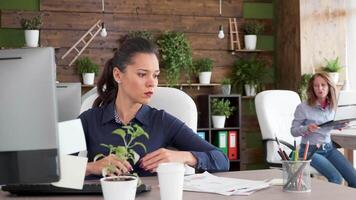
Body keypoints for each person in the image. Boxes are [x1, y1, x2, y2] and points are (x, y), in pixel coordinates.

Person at [79, 37, 229, 177]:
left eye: (155, 75)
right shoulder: (89, 120)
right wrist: (91, 167)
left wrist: (182, 156)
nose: (152, 83)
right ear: (118, 75)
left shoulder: (162, 121)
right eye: (142, 74)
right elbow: (56, 168)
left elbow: (222, 160)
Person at [291, 72, 356, 187]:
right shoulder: (303, 107)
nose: (319, 88)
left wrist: (339, 125)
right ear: (312, 88)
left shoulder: (333, 106)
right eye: (316, 85)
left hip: (329, 149)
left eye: (323, 85)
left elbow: (328, 125)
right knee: (336, 179)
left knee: (354, 179)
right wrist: (307, 128)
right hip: (310, 151)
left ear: (329, 87)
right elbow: (294, 131)